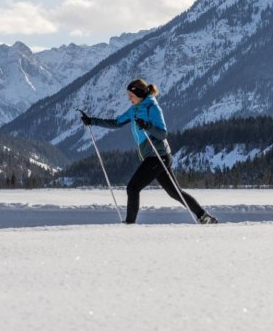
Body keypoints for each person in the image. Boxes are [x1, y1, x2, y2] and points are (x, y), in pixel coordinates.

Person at [80, 78, 218, 225]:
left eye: (131, 96)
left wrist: (147, 125)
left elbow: (162, 134)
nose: (129, 99)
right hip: (153, 157)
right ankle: (204, 216)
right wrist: (92, 121)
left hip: (158, 156)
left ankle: (129, 225)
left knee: (133, 188)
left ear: (139, 94)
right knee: (175, 193)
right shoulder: (134, 110)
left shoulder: (152, 107)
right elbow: (116, 123)